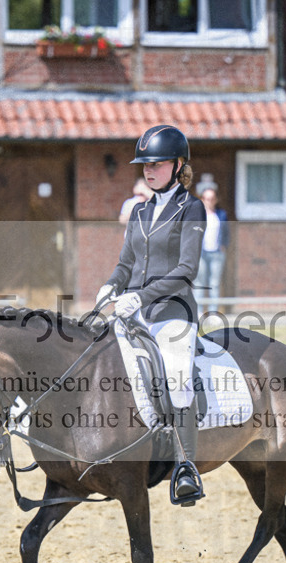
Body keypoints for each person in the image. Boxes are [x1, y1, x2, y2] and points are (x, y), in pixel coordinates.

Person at [97, 124, 206, 505]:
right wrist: (112, 285)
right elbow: (126, 262)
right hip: (135, 309)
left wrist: (139, 298)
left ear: (178, 165)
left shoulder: (191, 208)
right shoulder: (141, 210)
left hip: (173, 312)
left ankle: (185, 467)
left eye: (156, 164)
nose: (147, 170)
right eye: (144, 164)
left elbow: (186, 270)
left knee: (177, 378)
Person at [193, 181, 228, 313]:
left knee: (214, 283)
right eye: (207, 199)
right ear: (202, 199)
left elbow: (226, 232)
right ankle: (199, 312)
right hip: (201, 253)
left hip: (216, 253)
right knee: (199, 283)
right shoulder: (198, 215)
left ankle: (213, 312)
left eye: (212, 199)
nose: (210, 201)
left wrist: (223, 245)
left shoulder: (221, 214)